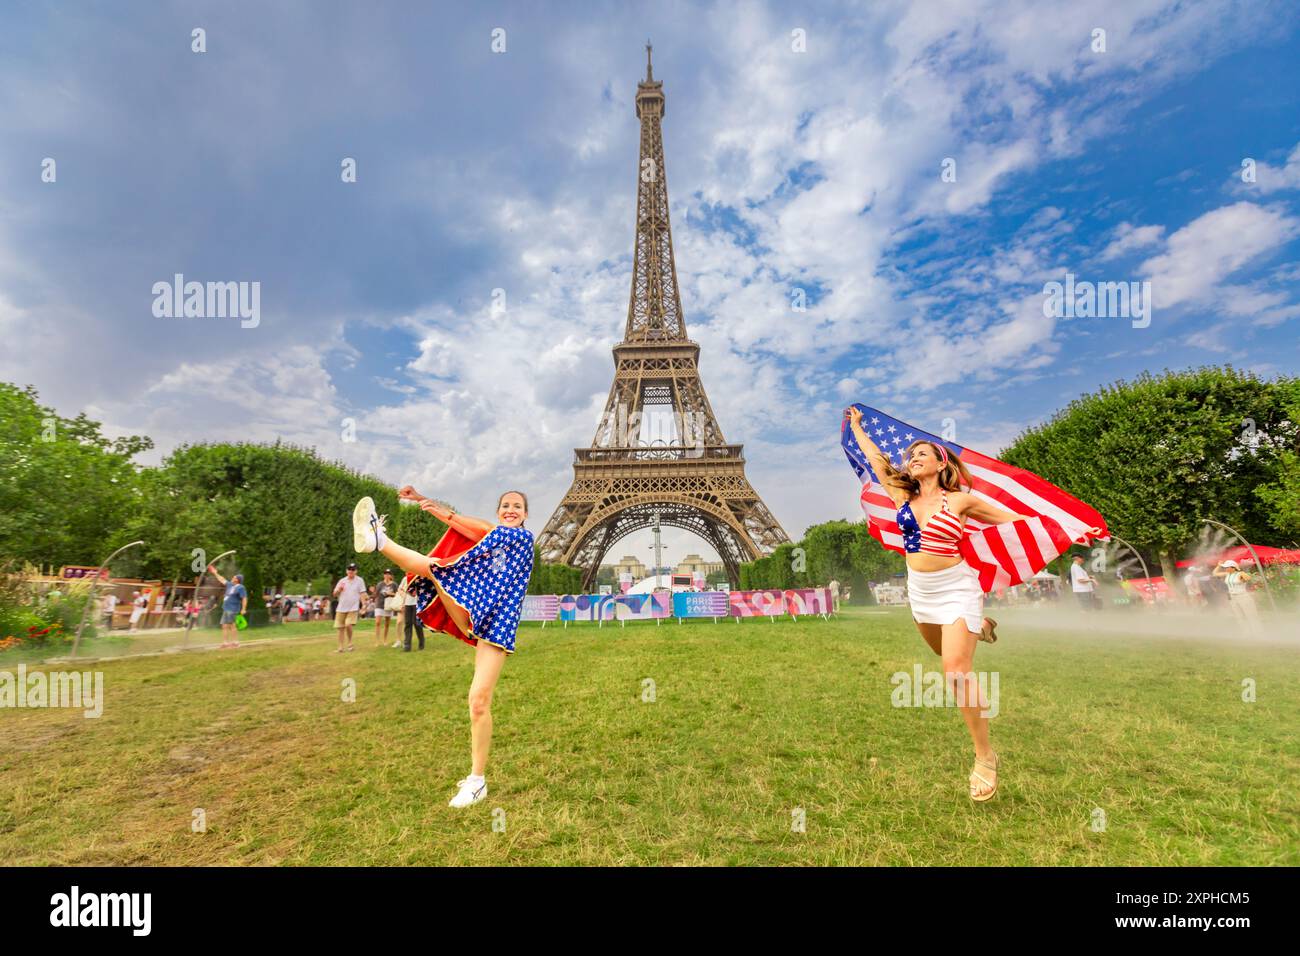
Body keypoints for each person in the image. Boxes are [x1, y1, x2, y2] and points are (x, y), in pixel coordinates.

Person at [847, 407, 1034, 802]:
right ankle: (978, 628)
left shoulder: (961, 501)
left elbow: (1015, 519)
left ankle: (985, 756)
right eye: (909, 456)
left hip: (957, 586)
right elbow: (875, 459)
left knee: (954, 671)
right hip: (922, 591)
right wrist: (858, 428)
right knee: (939, 651)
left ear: (939, 463)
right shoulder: (901, 494)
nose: (912, 459)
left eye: (921, 455)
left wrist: (1062, 527)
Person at [352, 487, 534, 808]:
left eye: (517, 506)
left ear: (526, 514)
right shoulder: (492, 534)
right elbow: (464, 524)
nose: (510, 509)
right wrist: (427, 503)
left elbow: (473, 528)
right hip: (474, 606)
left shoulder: (522, 539)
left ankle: (477, 781)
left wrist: (439, 510)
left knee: (478, 701)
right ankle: (379, 540)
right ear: (498, 511)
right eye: (505, 505)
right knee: (437, 569)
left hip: (497, 622)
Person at [1213, 560, 1262, 636]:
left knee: (1251, 616)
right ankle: (1246, 633)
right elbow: (1214, 574)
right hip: (1233, 598)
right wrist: (1219, 565)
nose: (1225, 568)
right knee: (1239, 617)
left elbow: (1248, 578)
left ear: (1233, 568)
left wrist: (1243, 577)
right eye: (1225, 567)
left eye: (1227, 567)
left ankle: (1258, 633)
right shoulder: (1227, 574)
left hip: (1243, 596)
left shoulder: (1240, 573)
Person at [207, 566, 248, 648]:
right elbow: (222, 579)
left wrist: (243, 608)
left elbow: (244, 598)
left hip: (232, 609)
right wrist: (215, 572)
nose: (232, 577)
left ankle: (235, 642)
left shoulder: (240, 587)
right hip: (226, 608)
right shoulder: (230, 585)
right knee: (224, 625)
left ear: (237, 580)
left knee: (232, 625)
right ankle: (225, 643)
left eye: (234, 577)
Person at [332, 563, 367, 652]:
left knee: (348, 624)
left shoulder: (360, 580)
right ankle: (340, 647)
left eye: (353, 569)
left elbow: (362, 593)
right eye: (349, 569)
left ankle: (350, 643)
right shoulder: (342, 581)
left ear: (356, 571)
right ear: (346, 571)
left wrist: (364, 605)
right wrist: (338, 590)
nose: (351, 571)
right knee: (340, 628)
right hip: (341, 607)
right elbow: (334, 594)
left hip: (353, 607)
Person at [395, 573, 426, 651]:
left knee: (417, 624)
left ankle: (421, 643)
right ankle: (407, 645)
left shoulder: (418, 577)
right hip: (407, 603)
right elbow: (400, 589)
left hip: (416, 603)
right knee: (408, 624)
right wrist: (403, 596)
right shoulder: (405, 579)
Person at [373, 570, 399, 647]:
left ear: (391, 575)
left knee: (387, 624)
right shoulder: (380, 584)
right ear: (383, 575)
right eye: (385, 574)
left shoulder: (394, 584)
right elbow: (376, 594)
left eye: (388, 574)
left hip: (389, 605)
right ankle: (377, 641)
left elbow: (398, 594)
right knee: (377, 622)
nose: (387, 575)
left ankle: (385, 640)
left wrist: (391, 594)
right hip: (379, 605)